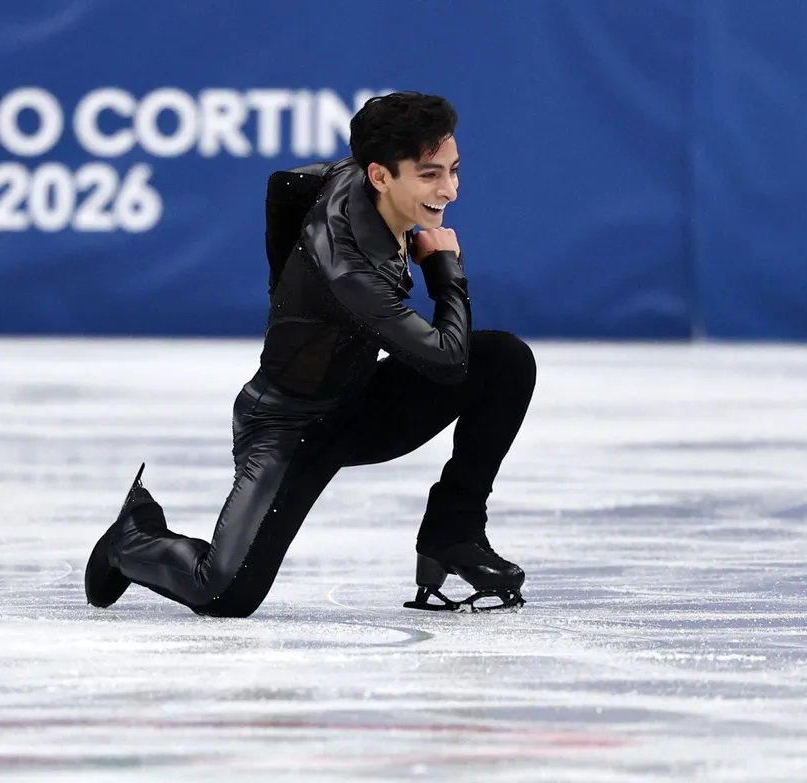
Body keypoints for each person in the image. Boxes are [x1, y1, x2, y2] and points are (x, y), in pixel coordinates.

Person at [85, 92, 536, 617]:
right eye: (431, 175)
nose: (450, 190)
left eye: (454, 170)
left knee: (505, 360)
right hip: (286, 428)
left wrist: (285, 287)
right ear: (381, 176)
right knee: (225, 592)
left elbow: (286, 185)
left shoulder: (346, 177)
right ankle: (133, 537)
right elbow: (446, 361)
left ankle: (453, 532)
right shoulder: (350, 273)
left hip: (358, 402)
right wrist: (446, 271)